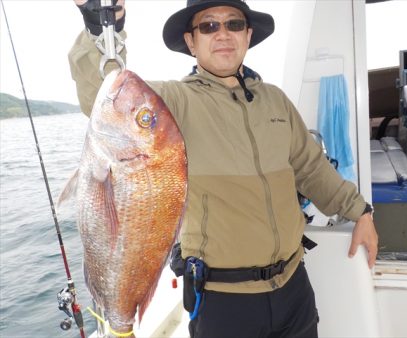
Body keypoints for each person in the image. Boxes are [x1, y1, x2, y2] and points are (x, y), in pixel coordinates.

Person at [70, 0, 378, 337]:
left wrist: (360, 211)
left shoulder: (276, 101)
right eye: (208, 26)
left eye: (233, 24)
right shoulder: (174, 103)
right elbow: (103, 97)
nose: (223, 34)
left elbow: (311, 168)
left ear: (247, 35)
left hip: (294, 289)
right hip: (223, 301)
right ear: (191, 41)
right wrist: (100, 25)